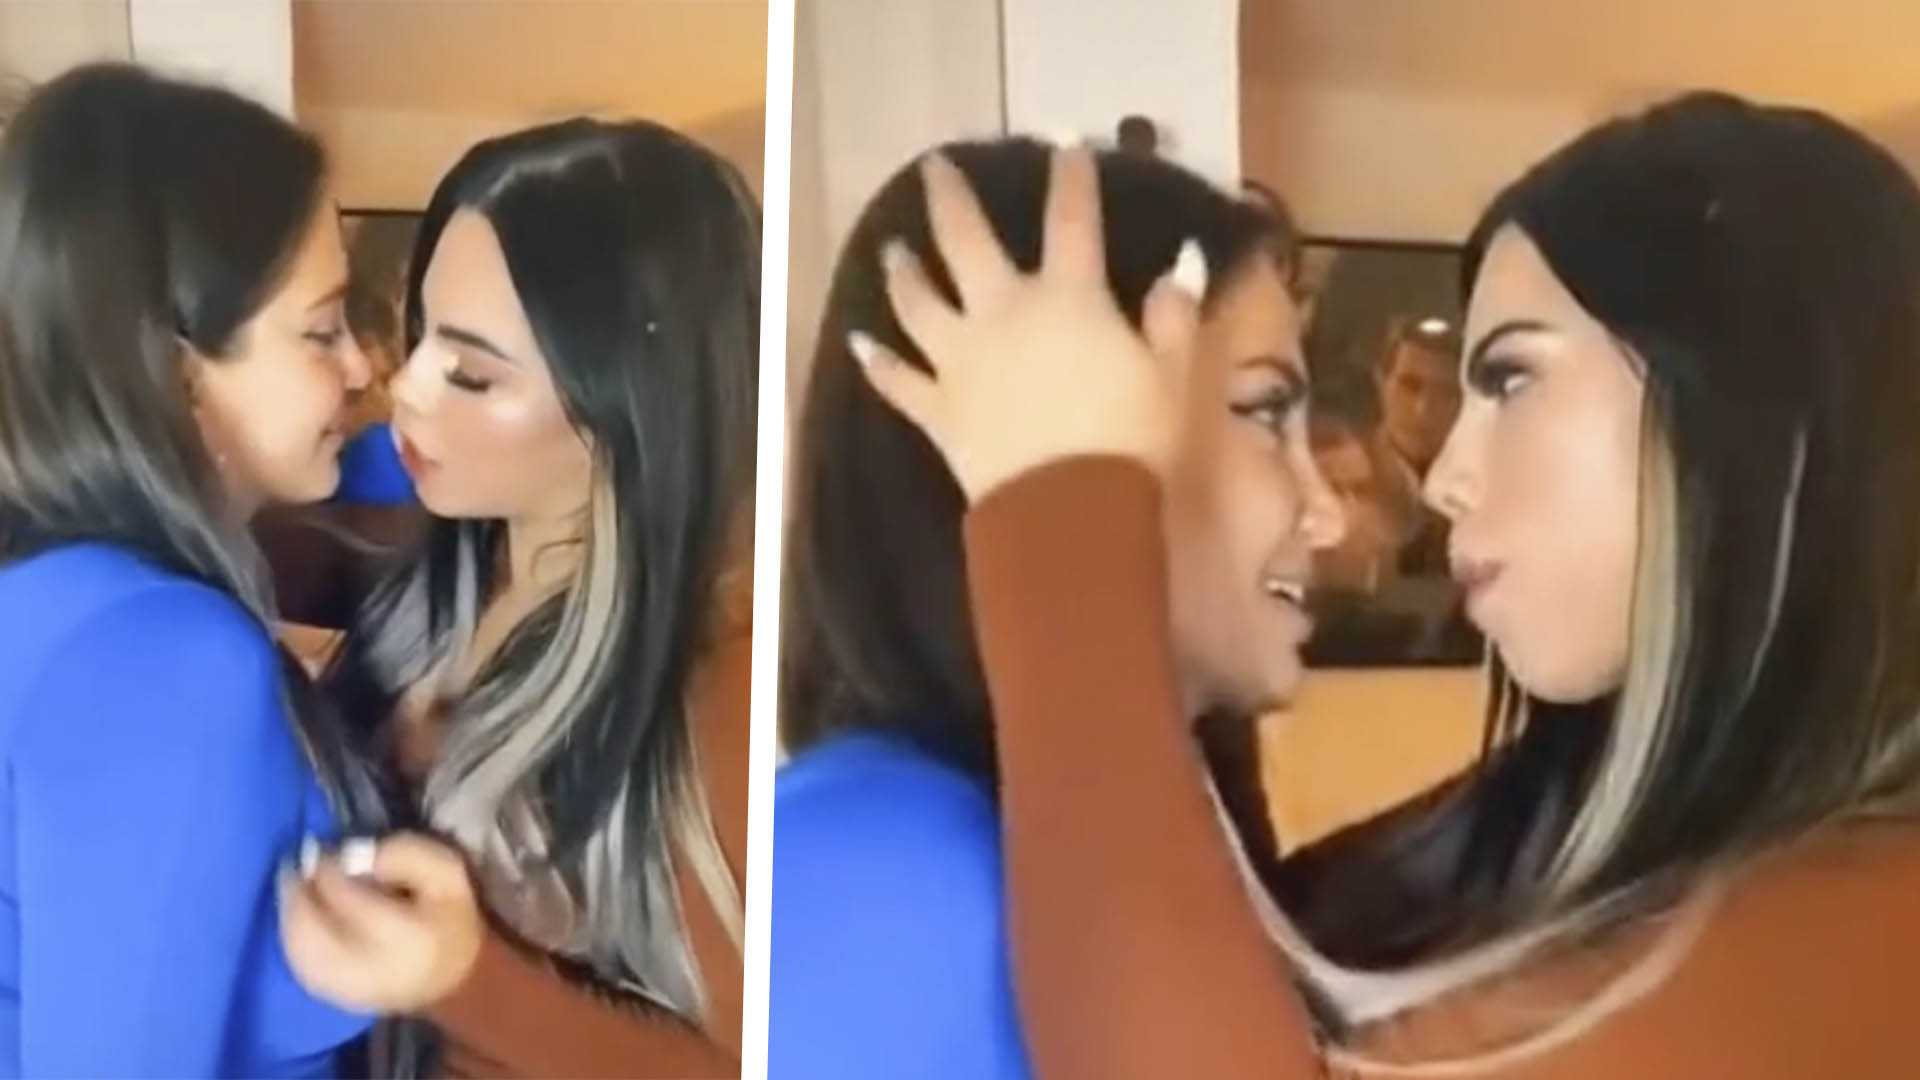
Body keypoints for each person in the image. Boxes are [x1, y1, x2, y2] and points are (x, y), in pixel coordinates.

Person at [857, 95, 1920, 1077]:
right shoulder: (1539, 838)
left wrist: (1059, 502)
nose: (1445, 479)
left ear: (1746, 405)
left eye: (1511, 377)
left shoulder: (1869, 927)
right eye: (1262, 412)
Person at [772, 137, 1342, 1077]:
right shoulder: (876, 865)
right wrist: (1067, 494)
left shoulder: (1064, 846)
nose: (1327, 513)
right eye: (1265, 410)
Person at [275, 118, 759, 1079]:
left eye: (471, 372)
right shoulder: (424, 564)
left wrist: (468, 980)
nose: (405, 387)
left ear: (622, 411)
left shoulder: (712, 688)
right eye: (418, 332)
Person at [0, 63, 386, 1076]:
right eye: (322, 331)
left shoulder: (56, 584)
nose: (362, 369)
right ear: (179, 376)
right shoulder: (165, 657)